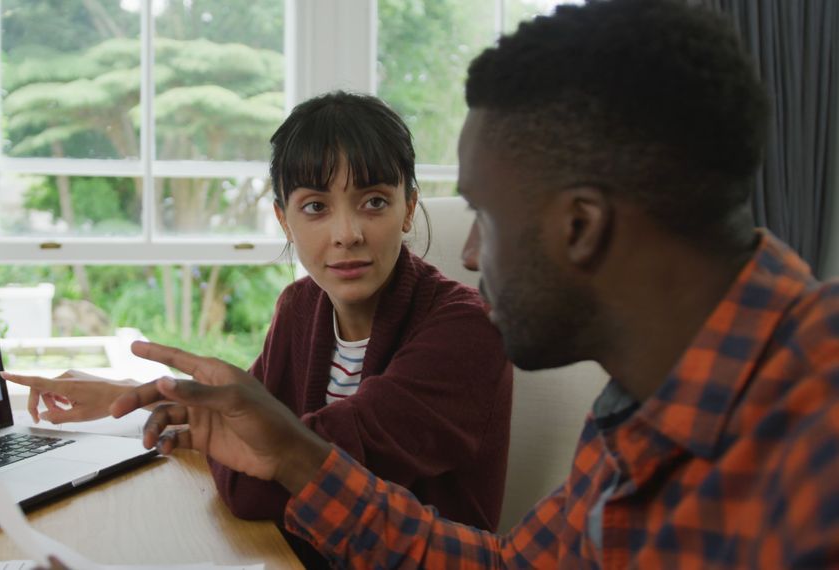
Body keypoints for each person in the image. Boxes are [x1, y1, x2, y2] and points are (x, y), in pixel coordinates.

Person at [100, 0, 839, 567]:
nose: (475, 251)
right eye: (316, 207)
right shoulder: (642, 417)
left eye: (485, 214)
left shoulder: (815, 435)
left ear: (579, 226)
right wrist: (293, 454)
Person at [6, 92, 513, 565]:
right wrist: (129, 394)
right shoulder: (300, 306)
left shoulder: (467, 332)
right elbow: (248, 420)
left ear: (409, 207)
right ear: (283, 220)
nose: (347, 233)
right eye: (315, 207)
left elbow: (263, 473)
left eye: (374, 201)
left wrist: (246, 447)